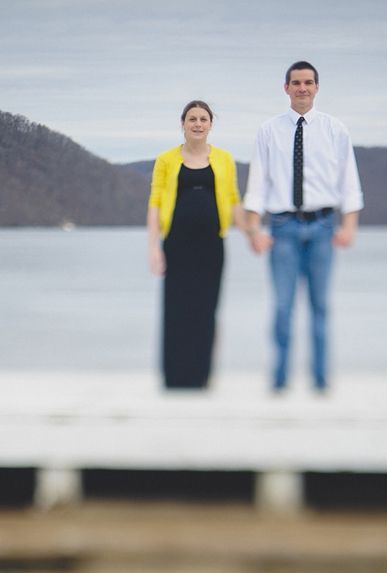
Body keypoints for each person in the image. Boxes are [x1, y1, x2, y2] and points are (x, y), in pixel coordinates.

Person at [244, 61, 364, 392]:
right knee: (282, 308)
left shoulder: (335, 129)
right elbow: (257, 186)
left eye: (308, 82)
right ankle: (280, 381)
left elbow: (349, 183)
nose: (302, 88)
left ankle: (321, 382)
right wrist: (254, 231)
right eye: (296, 83)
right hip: (282, 229)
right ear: (286, 88)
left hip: (323, 227)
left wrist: (349, 226)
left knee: (320, 307)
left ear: (317, 87)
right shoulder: (269, 130)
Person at [146, 100, 246, 389]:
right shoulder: (166, 160)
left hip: (212, 245)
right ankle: (174, 378)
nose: (198, 123)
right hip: (176, 244)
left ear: (211, 124)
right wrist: (153, 247)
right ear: (183, 124)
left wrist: (252, 230)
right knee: (176, 308)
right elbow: (154, 203)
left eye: (203, 119)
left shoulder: (225, 159)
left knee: (206, 309)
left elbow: (232, 199)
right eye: (192, 119)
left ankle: (202, 376)